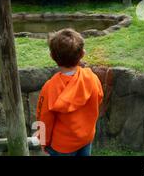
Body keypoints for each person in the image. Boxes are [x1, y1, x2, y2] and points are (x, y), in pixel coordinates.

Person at [36, 28, 104, 156]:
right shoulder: (92, 78)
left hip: (61, 146)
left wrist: (42, 142)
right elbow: (99, 99)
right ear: (82, 54)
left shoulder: (50, 88)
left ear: (52, 57)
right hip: (86, 138)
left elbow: (44, 119)